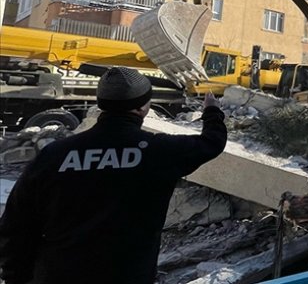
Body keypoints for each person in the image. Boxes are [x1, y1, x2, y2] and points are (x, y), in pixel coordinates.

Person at [0, 67, 227, 284]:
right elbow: (212, 142)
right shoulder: (159, 152)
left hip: (56, 275)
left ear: (102, 104)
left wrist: (15, 276)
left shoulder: (54, 155)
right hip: (127, 276)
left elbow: (16, 222)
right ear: (142, 108)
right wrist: (212, 112)